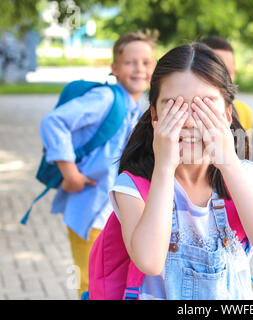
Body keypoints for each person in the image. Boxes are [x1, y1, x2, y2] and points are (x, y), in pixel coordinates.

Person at [109, 42, 253, 299]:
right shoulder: (133, 187)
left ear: (226, 114)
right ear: (155, 116)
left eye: (204, 106)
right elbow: (149, 261)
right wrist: (164, 167)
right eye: (174, 107)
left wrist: (228, 163)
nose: (190, 121)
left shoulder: (246, 176)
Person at [39, 31, 157, 298]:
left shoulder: (137, 108)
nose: (139, 68)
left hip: (113, 215)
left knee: (108, 284)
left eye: (146, 62)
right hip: (90, 211)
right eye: (130, 62)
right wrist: (70, 173)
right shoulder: (106, 99)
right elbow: (53, 122)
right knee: (90, 283)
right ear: (114, 67)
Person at [200, 36, 253, 163]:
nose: (223, 78)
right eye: (216, 71)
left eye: (228, 72)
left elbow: (251, 161)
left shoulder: (244, 112)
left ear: (235, 73)